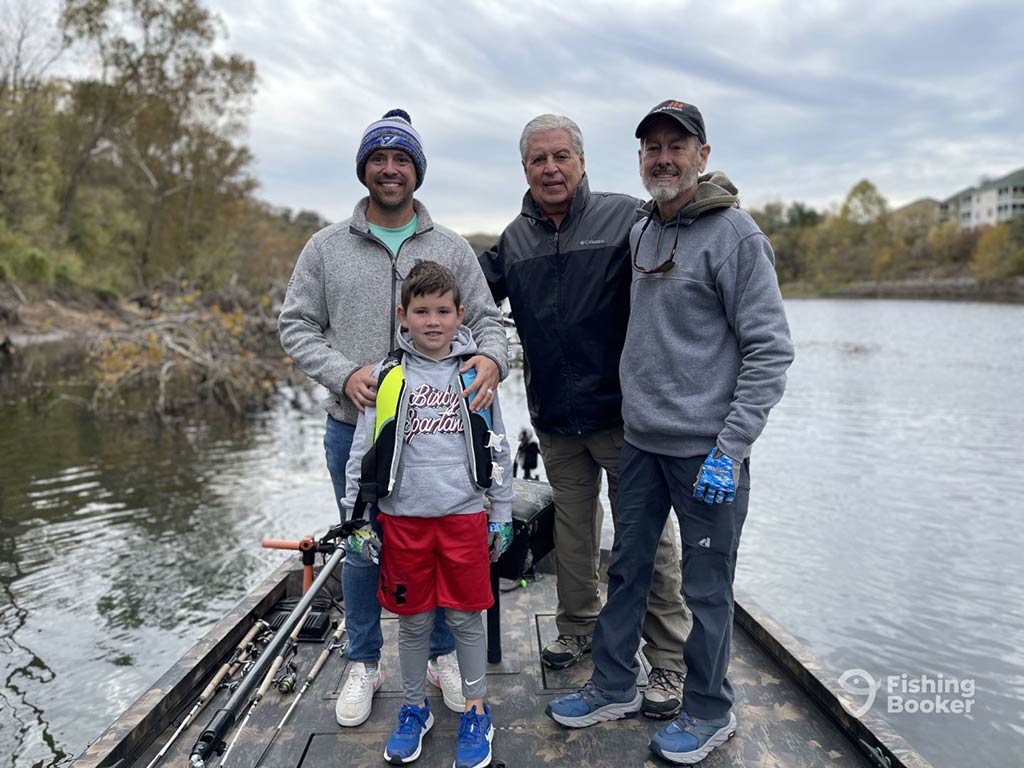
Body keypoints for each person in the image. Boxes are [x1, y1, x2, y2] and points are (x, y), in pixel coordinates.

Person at [545, 100, 795, 765]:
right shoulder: (644, 230)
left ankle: (711, 711)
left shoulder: (738, 236)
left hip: (707, 455)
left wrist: (732, 449)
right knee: (627, 569)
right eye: (651, 146)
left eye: (676, 145)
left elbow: (770, 350)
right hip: (643, 444)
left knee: (706, 589)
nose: (663, 156)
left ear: (702, 156)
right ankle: (615, 683)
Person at [278, 109, 508, 728]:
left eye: (401, 159)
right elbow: (294, 326)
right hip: (355, 426)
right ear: (364, 170)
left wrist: (490, 358)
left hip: (441, 431)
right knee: (363, 543)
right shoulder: (325, 248)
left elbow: (487, 319)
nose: (389, 169)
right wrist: (343, 373)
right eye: (378, 159)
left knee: (431, 541)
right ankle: (363, 660)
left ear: (417, 171)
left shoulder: (451, 247)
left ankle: (438, 656)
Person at [480, 115, 688, 718]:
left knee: (646, 540)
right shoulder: (514, 240)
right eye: (538, 159)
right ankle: (577, 628)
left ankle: (669, 661)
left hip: (627, 417)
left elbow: (686, 242)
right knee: (572, 533)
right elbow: (465, 297)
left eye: (561, 156)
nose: (551, 168)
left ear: (581, 160)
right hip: (554, 418)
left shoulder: (627, 218)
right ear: (524, 169)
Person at [342, 261, 514, 767]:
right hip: (402, 521)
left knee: (465, 617)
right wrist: (356, 519)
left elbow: (499, 450)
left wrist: (500, 515)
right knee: (413, 622)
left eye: (443, 311)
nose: (433, 321)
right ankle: (414, 707)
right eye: (422, 311)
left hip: (463, 518)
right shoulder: (387, 376)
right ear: (404, 315)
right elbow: (361, 452)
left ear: (461, 314)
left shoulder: (475, 373)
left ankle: (477, 710)